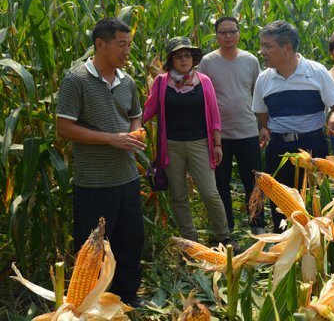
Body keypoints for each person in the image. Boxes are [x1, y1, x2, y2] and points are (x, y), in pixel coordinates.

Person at [56, 18, 146, 307]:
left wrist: (133, 131)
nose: (127, 51)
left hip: (127, 177)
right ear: (100, 44)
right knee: (94, 250)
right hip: (95, 182)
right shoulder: (77, 80)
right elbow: (64, 128)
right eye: (122, 45)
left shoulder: (127, 81)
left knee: (130, 242)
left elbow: (135, 112)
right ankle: (91, 305)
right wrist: (112, 139)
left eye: (129, 45)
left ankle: (126, 299)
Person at [252, 20, 334, 232]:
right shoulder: (263, 79)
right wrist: (267, 128)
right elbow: (261, 113)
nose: (262, 51)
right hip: (279, 149)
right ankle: (285, 249)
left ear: (287, 47)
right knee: (281, 205)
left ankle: (316, 251)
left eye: (268, 46)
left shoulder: (316, 72)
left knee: (315, 202)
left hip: (312, 146)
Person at [143, 36, 233, 247]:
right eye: (178, 56)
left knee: (210, 193)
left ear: (193, 59)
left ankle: (224, 236)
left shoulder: (203, 81)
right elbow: (149, 109)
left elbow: (214, 114)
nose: (184, 60)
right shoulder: (161, 82)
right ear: (170, 60)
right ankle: (190, 241)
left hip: (199, 143)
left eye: (187, 56)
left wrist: (217, 144)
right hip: (171, 146)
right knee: (179, 196)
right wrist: (131, 127)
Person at [199, 16, 266, 235]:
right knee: (221, 184)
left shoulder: (250, 60)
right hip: (220, 136)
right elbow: (202, 97)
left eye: (232, 32)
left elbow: (259, 94)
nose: (228, 36)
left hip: (248, 130)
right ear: (216, 36)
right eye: (223, 32)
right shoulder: (207, 62)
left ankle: (258, 226)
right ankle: (226, 228)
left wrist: (264, 126)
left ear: (239, 33)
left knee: (254, 181)